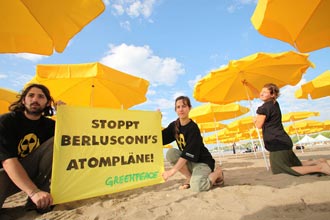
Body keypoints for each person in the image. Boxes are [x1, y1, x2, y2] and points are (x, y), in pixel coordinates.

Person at [0, 83, 61, 213]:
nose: (35, 100)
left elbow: (73, 141)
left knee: (56, 142)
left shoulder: (50, 125)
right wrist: (33, 192)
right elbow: (8, 161)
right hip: (4, 174)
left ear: (47, 103)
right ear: (23, 100)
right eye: (31, 95)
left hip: (30, 170)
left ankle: (38, 204)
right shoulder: (6, 121)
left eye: (41, 97)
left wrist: (65, 117)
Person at [254, 83, 330, 176]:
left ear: (272, 94)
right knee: (293, 164)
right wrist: (249, 85)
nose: (261, 93)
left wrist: (255, 118)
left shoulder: (264, 108)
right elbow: (259, 94)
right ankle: (319, 162)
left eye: (265, 92)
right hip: (282, 140)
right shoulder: (274, 104)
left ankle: (320, 167)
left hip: (276, 142)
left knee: (280, 169)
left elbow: (258, 125)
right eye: (262, 91)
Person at [161, 96, 224, 191]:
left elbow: (186, 154)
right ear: (175, 110)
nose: (181, 109)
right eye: (178, 107)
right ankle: (189, 177)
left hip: (203, 162)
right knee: (171, 153)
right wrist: (157, 120)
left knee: (197, 186)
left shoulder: (193, 128)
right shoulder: (174, 125)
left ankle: (218, 173)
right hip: (190, 162)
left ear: (189, 108)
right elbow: (160, 138)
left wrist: (171, 172)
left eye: (184, 106)